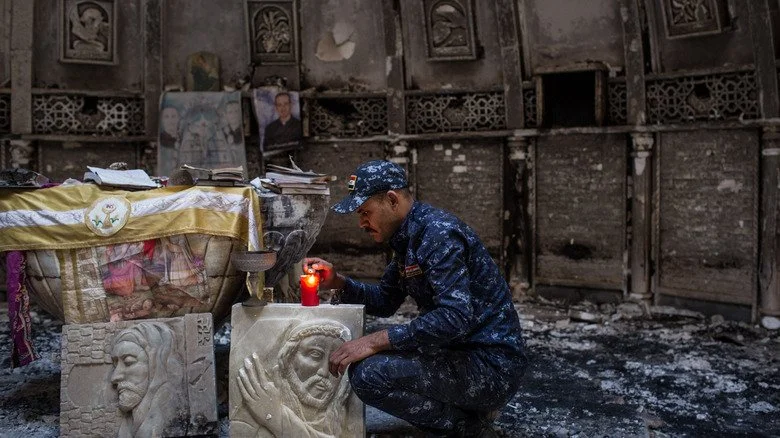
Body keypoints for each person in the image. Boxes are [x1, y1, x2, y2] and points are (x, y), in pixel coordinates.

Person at [304, 160, 527, 437]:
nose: (362, 223)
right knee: (371, 352)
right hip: (459, 354)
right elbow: (385, 300)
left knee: (370, 374)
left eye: (365, 212)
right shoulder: (407, 238)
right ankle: (467, 412)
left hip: (490, 365)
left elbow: (454, 317)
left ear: (392, 200)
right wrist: (338, 282)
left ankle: (470, 428)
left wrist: (375, 340)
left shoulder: (437, 234)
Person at [234, 319, 354, 437]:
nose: (324, 372)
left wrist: (277, 416)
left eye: (336, 361)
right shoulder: (253, 408)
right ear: (288, 359)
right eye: (315, 354)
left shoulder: (340, 416)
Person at [110, 322, 188, 437]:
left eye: (128, 362)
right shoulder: (129, 425)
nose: (114, 377)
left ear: (156, 365)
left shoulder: (176, 421)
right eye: (115, 365)